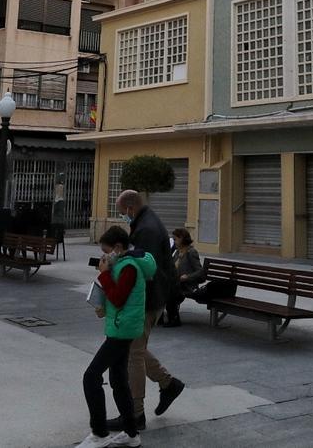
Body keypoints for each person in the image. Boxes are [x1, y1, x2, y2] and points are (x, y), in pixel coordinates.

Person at [108, 190, 184, 431]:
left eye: (123, 213)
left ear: (131, 207)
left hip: (149, 299)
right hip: (153, 297)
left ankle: (135, 413)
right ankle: (168, 384)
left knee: (134, 353)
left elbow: (143, 269)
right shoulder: (146, 221)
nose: (124, 217)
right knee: (136, 349)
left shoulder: (146, 230)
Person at [77, 226, 154, 448]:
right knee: (118, 379)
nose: (103, 256)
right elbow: (118, 298)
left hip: (123, 330)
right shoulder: (121, 264)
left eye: (106, 251)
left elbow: (119, 299)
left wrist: (103, 274)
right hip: (121, 326)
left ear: (118, 248)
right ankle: (131, 433)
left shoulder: (129, 266)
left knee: (91, 377)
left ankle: (99, 433)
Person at [164, 228, 201, 328]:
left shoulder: (191, 252)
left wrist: (187, 277)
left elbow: (200, 272)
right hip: (176, 283)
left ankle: (174, 318)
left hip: (187, 285)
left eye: (175, 239)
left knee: (170, 291)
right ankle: (161, 318)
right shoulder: (177, 252)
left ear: (182, 239)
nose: (174, 241)